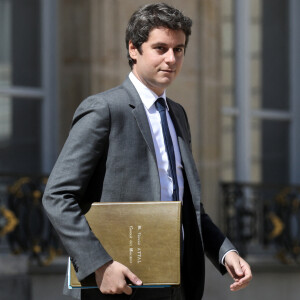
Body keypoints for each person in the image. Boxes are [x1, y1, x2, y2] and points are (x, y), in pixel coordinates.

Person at [42, 3, 252, 300]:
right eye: (160, 48)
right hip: (118, 287)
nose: (171, 59)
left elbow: (185, 204)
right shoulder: (104, 109)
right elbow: (57, 196)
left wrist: (224, 251)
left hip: (176, 285)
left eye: (179, 49)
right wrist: (99, 264)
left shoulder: (177, 115)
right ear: (133, 49)